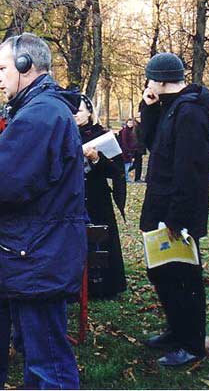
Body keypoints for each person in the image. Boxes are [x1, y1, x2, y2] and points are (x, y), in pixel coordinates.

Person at [0, 33, 87, 389]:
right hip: (35, 252)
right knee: (40, 356)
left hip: (36, 255)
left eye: (3, 68)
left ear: (26, 65)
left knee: (48, 363)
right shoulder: (43, 111)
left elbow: (5, 187)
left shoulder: (38, 116)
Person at [139, 53, 209, 367]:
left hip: (176, 212)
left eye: (149, 79)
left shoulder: (191, 112)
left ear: (159, 79)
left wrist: (177, 217)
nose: (147, 84)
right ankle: (176, 330)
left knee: (184, 278)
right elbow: (150, 144)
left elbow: (191, 170)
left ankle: (192, 343)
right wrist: (148, 107)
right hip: (161, 204)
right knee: (163, 273)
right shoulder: (170, 107)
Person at [75, 93, 128, 298]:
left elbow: (116, 171)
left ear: (89, 112)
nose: (75, 114)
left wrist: (97, 158)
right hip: (74, 196)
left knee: (103, 238)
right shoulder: (64, 134)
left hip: (97, 196)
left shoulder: (102, 134)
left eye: (79, 110)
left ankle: (105, 286)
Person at [117, 118, 141, 182]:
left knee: (130, 164)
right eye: (129, 123)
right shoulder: (125, 131)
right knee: (127, 164)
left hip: (132, 150)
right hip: (126, 150)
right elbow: (124, 142)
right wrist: (127, 150)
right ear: (127, 123)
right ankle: (126, 177)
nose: (130, 124)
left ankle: (125, 176)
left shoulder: (133, 130)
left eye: (131, 123)